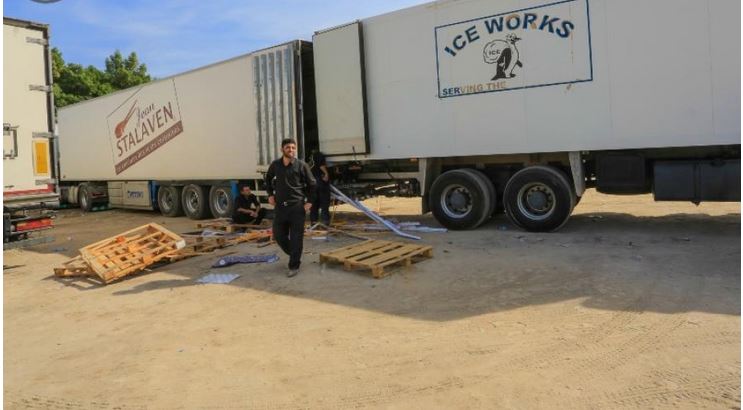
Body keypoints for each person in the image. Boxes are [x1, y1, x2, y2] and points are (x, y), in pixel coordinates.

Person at [265, 138, 316, 277]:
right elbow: (267, 179)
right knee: (278, 235)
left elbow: (312, 184)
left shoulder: (301, 165)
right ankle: (294, 253)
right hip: (280, 207)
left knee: (296, 238)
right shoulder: (275, 165)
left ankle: (294, 265)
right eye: (288, 147)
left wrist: (310, 202)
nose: (291, 150)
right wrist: (270, 195)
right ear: (282, 149)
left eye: (293, 147)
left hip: (297, 207)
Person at [309, 150, 331, 226]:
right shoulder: (319, 155)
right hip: (320, 181)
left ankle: (313, 222)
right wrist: (326, 173)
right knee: (324, 202)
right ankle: (325, 222)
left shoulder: (310, 158)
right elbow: (321, 166)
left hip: (312, 182)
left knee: (314, 203)